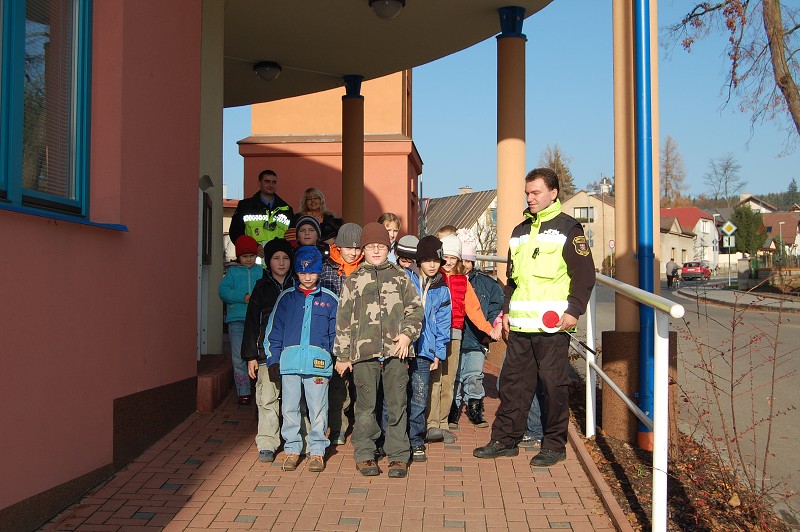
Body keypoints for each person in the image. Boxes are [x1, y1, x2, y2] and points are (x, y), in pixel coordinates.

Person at [473, 167, 595, 467]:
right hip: (520, 325)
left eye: (536, 192)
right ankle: (505, 440)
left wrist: (574, 310)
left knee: (553, 387)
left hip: (552, 327)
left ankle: (554, 445)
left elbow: (584, 275)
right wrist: (506, 312)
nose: (530, 198)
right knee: (513, 385)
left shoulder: (569, 229)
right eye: (527, 193)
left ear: (553, 193)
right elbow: (512, 281)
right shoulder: (519, 232)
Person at [333, 222, 423, 479]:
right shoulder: (353, 280)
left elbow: (416, 310)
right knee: (365, 407)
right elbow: (343, 320)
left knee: (397, 404)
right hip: (364, 354)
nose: (375, 251)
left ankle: (398, 455)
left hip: (396, 352)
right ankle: (365, 453)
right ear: (363, 249)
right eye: (370, 246)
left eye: (381, 247)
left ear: (388, 249)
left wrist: (407, 335)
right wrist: (342, 355)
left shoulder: (401, 277)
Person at [264, 246, 339, 472]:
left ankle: (317, 451)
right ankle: (293, 448)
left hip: (318, 365)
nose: (307, 277)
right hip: (290, 364)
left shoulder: (330, 300)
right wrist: (273, 359)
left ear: (319, 272)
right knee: (289, 408)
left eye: (312, 272)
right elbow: (274, 331)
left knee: (318, 409)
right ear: (296, 272)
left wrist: (336, 358)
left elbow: (337, 334)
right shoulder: (286, 298)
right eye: (303, 272)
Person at [427, 233, 500, 442]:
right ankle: (431, 423)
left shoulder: (463, 281)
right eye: (446, 257)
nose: (449, 262)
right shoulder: (434, 277)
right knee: (434, 380)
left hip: (454, 334)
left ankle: (443, 423)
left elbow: (474, 310)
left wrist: (489, 329)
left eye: (454, 258)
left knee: (449, 380)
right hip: (434, 334)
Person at [242, 238, 294, 463]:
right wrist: (251, 356)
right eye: (276, 258)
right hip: (266, 354)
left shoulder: (298, 285)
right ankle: (267, 442)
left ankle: (297, 440)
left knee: (295, 399)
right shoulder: (261, 287)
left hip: (293, 353)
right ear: (268, 262)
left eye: (285, 258)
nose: (281, 263)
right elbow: (251, 323)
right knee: (267, 398)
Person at [407, 236, 451, 463]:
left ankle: (416, 440)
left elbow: (443, 323)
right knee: (397, 395)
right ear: (419, 261)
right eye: (427, 260)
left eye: (436, 260)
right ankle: (395, 439)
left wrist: (438, 352)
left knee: (420, 396)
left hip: (426, 349)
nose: (432, 265)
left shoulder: (442, 288)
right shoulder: (407, 280)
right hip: (403, 348)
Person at [319, 223, 364, 445]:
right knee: (338, 387)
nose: (353, 253)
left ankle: (361, 429)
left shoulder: (366, 268)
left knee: (362, 385)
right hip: (335, 334)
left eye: (357, 248)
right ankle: (338, 428)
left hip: (362, 334)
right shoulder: (325, 268)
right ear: (338, 247)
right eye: (348, 248)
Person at [455, 230, 504, 428]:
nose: (465, 265)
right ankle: (453, 409)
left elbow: (496, 305)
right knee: (455, 375)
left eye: (469, 260)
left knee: (474, 375)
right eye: (462, 260)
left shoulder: (486, 284)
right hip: (455, 337)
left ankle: (475, 407)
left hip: (477, 339)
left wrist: (490, 329)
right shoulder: (449, 280)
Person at [218, 235, 262, 405]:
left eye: (251, 255)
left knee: (258, 353)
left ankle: (259, 386)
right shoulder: (232, 273)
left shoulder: (261, 271)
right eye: (244, 256)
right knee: (238, 356)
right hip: (237, 321)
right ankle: (243, 391)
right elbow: (223, 291)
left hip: (257, 320)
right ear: (238, 257)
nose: (248, 259)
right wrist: (241, 297)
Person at [228, 169, 294, 262]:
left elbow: (291, 238)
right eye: (267, 181)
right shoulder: (245, 206)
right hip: (252, 263)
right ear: (259, 183)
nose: (271, 185)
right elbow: (235, 233)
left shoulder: (286, 209)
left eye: (274, 182)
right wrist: (253, 247)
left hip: (278, 262)